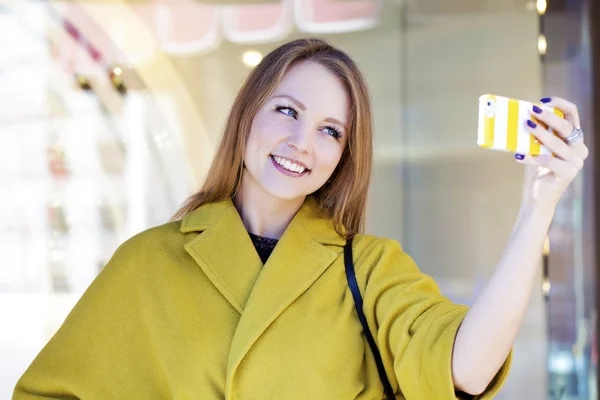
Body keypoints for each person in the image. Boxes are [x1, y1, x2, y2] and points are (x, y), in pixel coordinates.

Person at [13, 38, 589, 400]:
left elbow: (464, 366)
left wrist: (538, 206)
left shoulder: (367, 267)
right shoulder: (147, 262)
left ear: (343, 156)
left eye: (330, 131)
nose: (300, 142)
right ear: (246, 114)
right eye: (287, 111)